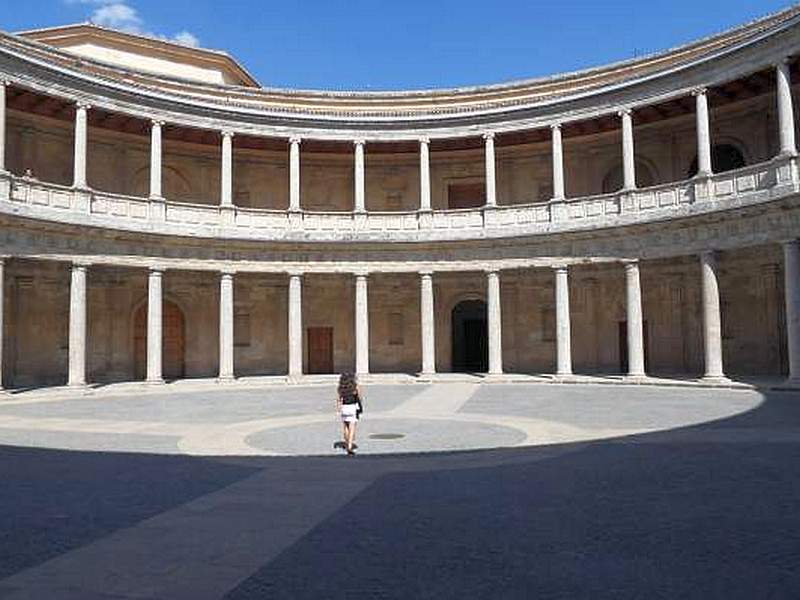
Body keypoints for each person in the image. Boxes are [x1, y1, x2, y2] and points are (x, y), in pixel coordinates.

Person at [336, 372, 362, 456]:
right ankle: (349, 447)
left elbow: (338, 399)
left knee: (345, 427)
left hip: (344, 407)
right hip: (352, 407)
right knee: (352, 428)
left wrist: (339, 408)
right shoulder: (355, 387)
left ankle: (347, 443)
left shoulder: (340, 388)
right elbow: (360, 397)